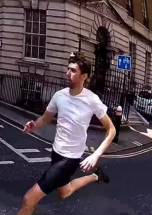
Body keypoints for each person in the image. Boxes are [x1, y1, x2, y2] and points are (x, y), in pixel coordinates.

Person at [17, 53, 116, 215]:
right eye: (67, 69)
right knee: (65, 192)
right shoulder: (59, 96)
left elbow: (112, 129)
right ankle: (96, 177)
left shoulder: (92, 100)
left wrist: (95, 155)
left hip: (70, 159)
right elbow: (45, 119)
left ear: (84, 76)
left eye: (72, 70)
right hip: (56, 153)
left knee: (29, 199)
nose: (67, 73)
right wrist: (34, 125)